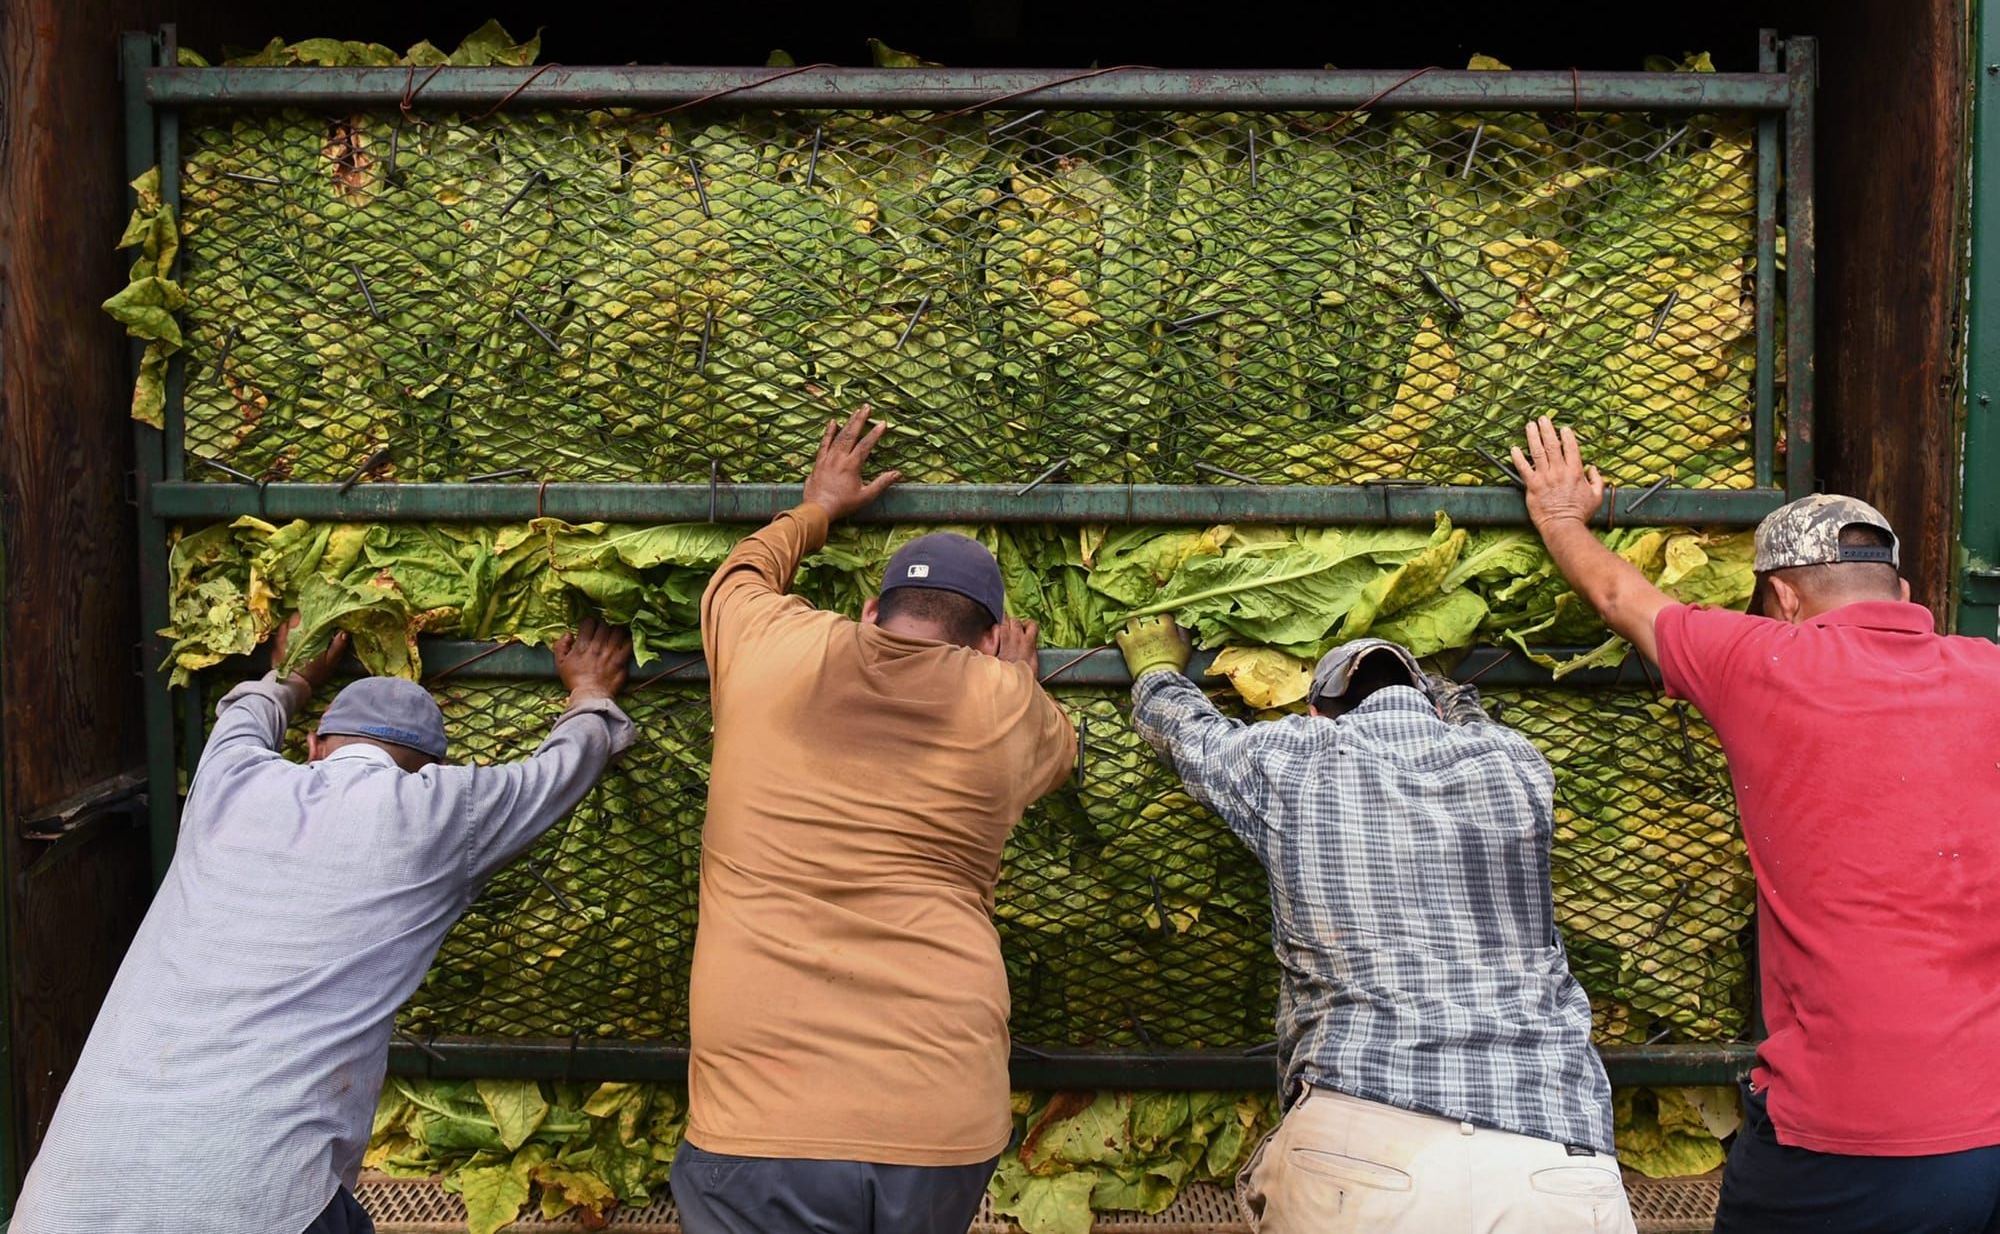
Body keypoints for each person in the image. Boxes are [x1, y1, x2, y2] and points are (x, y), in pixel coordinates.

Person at [1512, 415, 2000, 1233]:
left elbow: (1618, 596)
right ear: (1904, 594)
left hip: (1851, 1133)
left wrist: (1561, 517)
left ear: (1781, 596)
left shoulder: (1763, 660)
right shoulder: (1989, 675)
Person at [10, 615, 636, 1234]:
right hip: (257, 1197)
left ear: (313, 747)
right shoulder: (443, 809)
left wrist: (292, 675)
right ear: (429, 766)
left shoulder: (232, 780)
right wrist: (589, 694)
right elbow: (562, 771)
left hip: (66, 1191)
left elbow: (245, 713)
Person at [671, 406, 1077, 1234]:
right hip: (940, 1111)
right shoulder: (1008, 709)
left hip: (759, 1116)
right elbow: (1058, 755)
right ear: (992, 638)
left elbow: (736, 580)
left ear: (865, 611)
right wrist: (1018, 682)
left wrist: (816, 506)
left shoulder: (771, 645)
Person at [1114, 618, 1635, 1233]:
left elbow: (1191, 737)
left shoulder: (1292, 758)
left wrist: (1155, 671)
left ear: (1316, 712)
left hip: (1359, 1149)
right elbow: (1471, 720)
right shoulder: (1515, 763)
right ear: (1430, 705)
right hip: (1555, 1152)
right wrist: (1448, 692)